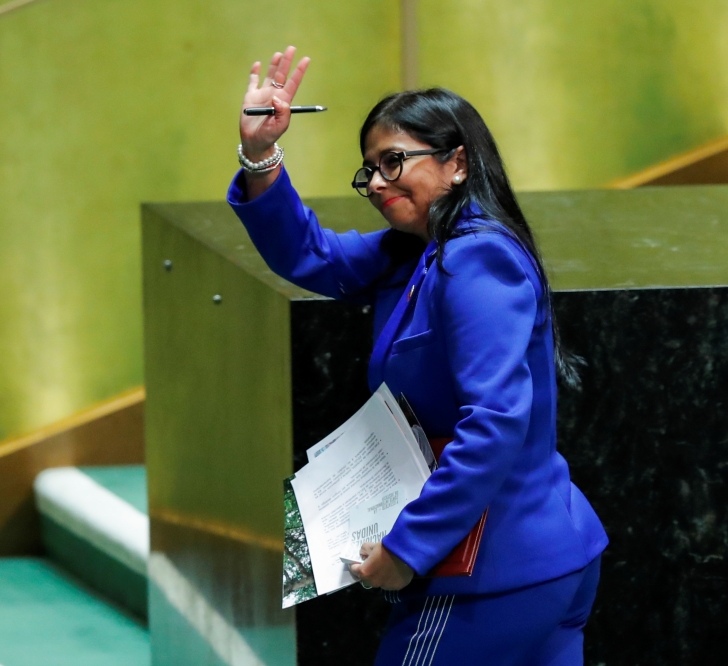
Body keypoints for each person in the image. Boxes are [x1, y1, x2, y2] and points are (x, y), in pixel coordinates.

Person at [228, 46, 608, 666]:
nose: (376, 183)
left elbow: (494, 422)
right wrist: (261, 153)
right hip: (538, 562)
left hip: (491, 571)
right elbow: (310, 255)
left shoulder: (478, 257)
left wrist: (408, 548)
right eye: (369, 170)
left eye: (394, 161)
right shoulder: (415, 249)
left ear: (457, 163)